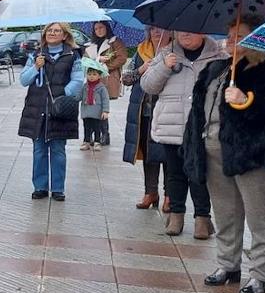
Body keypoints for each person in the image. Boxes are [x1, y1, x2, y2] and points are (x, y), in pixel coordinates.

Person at [187, 17, 265, 293]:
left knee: (261, 216)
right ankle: (228, 265)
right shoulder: (217, 68)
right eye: (229, 35)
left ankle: (261, 274)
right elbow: (199, 111)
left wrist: (248, 101)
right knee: (226, 214)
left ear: (257, 38)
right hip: (214, 152)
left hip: (252, 155)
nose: (230, 40)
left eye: (239, 35)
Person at [140, 30, 227, 238]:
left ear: (203, 32)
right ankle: (176, 216)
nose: (185, 34)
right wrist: (163, 67)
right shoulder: (165, 54)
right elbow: (148, 86)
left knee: (200, 174)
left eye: (191, 30)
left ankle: (202, 219)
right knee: (174, 173)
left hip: (202, 126)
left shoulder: (219, 57)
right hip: (172, 124)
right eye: (181, 31)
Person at [18, 22, 84, 201]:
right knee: (39, 150)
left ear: (64, 35)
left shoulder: (72, 55)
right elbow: (24, 80)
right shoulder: (35, 55)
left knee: (58, 150)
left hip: (59, 110)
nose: (52, 33)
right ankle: (40, 187)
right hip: (37, 108)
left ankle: (57, 188)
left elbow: (78, 80)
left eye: (57, 31)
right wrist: (36, 67)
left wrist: (61, 95)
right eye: (50, 30)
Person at [121, 28, 172, 209]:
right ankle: (150, 192)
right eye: (152, 29)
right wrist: (141, 69)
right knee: (149, 153)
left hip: (166, 111)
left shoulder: (176, 52)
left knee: (167, 154)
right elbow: (125, 79)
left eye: (161, 28)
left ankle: (170, 195)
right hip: (142, 111)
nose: (157, 32)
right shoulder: (141, 51)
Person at [84, 20, 129, 100]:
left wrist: (106, 67)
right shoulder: (90, 45)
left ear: (106, 28)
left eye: (101, 27)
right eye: (96, 29)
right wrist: (97, 60)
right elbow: (85, 61)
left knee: (107, 106)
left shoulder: (115, 41)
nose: (99, 30)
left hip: (110, 78)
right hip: (92, 79)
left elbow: (122, 58)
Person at [79, 63, 110, 152]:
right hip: (86, 111)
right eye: (89, 74)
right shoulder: (85, 86)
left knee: (97, 128)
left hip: (97, 112)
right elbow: (79, 96)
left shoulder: (101, 88)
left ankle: (97, 142)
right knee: (86, 128)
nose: (91, 77)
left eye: (94, 74)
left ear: (99, 76)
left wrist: (105, 111)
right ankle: (86, 142)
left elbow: (105, 100)